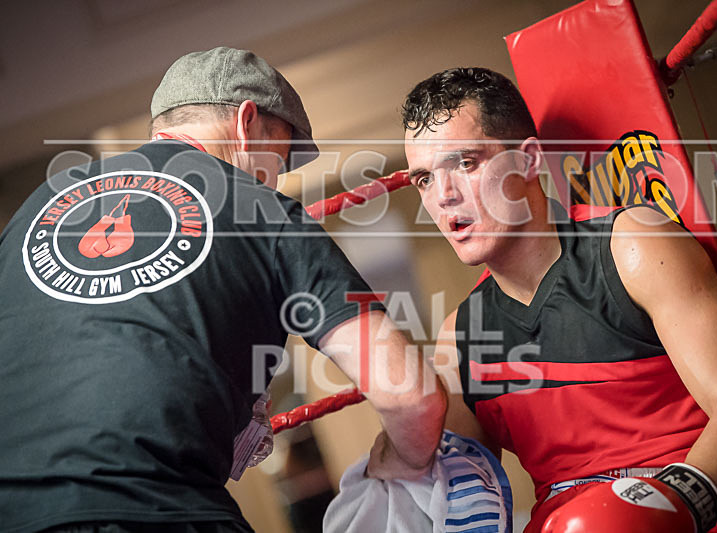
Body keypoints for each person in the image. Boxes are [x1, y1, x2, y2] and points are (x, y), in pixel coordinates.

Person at [0, 47, 445, 533]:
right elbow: (410, 395)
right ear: (246, 123)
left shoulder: (38, 204)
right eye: (279, 157)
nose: (278, 179)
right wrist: (398, 462)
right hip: (158, 510)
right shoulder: (264, 210)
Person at [401, 67, 717, 532]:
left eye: (465, 163)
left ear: (529, 161)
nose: (443, 197)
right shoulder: (460, 336)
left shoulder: (633, 245)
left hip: (699, 511)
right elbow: (465, 501)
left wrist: (665, 508)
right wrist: (400, 465)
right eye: (423, 179)